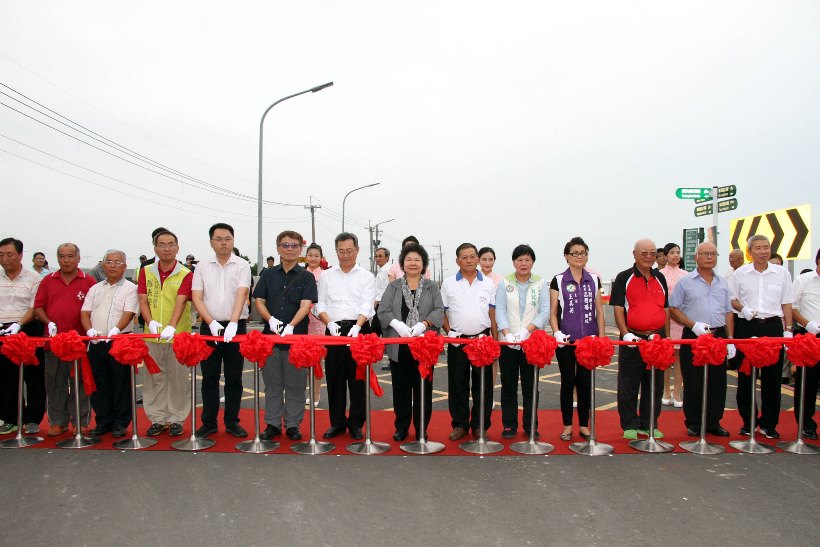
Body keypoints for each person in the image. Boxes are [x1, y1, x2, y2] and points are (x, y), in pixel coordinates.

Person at [728, 234, 794, 439]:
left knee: (772, 379)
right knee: (747, 377)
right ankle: (748, 422)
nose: (763, 251)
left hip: (773, 326)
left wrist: (788, 329)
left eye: (766, 247)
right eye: (758, 248)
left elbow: (787, 302)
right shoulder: (740, 274)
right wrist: (743, 309)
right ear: (750, 251)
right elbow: (731, 300)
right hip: (748, 325)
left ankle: (769, 424)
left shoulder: (782, 273)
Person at [253, 231, 317, 441]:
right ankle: (272, 423)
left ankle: (292, 425)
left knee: (296, 385)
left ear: (300, 250)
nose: (290, 249)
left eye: (294, 245)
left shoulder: (306, 276)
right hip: (270, 338)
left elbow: (306, 304)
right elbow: (259, 301)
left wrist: (290, 325)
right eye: (285, 245)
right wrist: (270, 319)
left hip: (296, 339)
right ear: (278, 248)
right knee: (272, 384)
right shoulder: (268, 274)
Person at [191, 223, 251, 439]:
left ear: (233, 240)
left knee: (235, 377)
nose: (224, 242)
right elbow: (197, 297)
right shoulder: (202, 266)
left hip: (236, 326)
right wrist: (212, 322)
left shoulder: (242, 265)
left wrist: (233, 323)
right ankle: (209, 422)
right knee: (209, 377)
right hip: (210, 327)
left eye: (227, 238)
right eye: (219, 239)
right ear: (211, 242)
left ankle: (232, 421)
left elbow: (242, 294)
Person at [378, 243, 443, 441]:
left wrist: (424, 324)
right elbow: (383, 310)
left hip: (424, 347)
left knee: (423, 389)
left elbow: (439, 310)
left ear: (423, 264)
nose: (412, 263)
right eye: (408, 260)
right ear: (402, 264)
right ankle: (402, 427)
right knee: (400, 389)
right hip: (399, 346)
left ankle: (421, 427)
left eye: (417, 260)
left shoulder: (432, 287)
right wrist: (397, 324)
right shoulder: (394, 286)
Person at [669, 242, 735, 437]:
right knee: (694, 380)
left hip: (718, 335)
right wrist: (692, 325)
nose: (709, 257)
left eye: (713, 254)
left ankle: (714, 422)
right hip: (694, 334)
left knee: (717, 381)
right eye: (705, 253)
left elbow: (728, 311)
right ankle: (694, 422)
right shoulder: (685, 281)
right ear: (696, 257)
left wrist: (730, 338)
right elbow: (673, 309)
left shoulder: (723, 282)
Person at [315, 232, 376, 440]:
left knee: (357, 379)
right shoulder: (326, 276)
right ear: (336, 252)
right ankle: (337, 423)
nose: (346, 255)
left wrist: (358, 325)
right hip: (333, 329)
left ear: (357, 251)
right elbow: (320, 304)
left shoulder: (367, 276)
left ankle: (356, 423)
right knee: (334, 378)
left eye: (350, 251)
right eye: (341, 251)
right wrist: (329, 322)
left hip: (358, 328)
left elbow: (367, 304)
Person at [33, 243, 97, 436]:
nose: (66, 260)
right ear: (57, 259)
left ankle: (80, 421)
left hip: (80, 343)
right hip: (53, 342)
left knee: (80, 383)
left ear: (78, 258)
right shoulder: (47, 281)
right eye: (62, 256)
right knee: (54, 381)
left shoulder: (89, 281)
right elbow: (38, 307)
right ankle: (57, 421)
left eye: (70, 256)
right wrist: (48, 322)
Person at [610, 238, 670, 440]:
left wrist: (667, 337)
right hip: (633, 337)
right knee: (628, 383)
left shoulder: (660, 278)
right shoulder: (623, 277)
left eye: (652, 253)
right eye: (644, 253)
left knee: (655, 384)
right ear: (634, 254)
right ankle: (629, 423)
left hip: (657, 339)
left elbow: (666, 309)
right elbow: (618, 308)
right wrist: (625, 332)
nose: (648, 257)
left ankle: (649, 423)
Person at [137, 229, 193, 437]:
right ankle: (157, 418)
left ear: (178, 248)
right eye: (162, 244)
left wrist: (171, 325)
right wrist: (150, 322)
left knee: (178, 378)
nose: (167, 248)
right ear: (155, 248)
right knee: (154, 378)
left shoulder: (186, 273)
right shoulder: (146, 271)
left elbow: (181, 300)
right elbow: (143, 299)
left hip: (177, 335)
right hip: (152, 335)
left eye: (171, 244)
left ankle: (177, 418)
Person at [549, 237, 604, 441]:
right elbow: (553, 312)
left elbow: (599, 311)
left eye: (583, 253)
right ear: (566, 256)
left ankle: (583, 424)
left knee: (585, 383)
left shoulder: (594, 279)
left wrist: (602, 338)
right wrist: (556, 333)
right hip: (566, 342)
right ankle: (566, 426)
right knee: (567, 382)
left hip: (589, 342)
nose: (579, 256)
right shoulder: (559, 279)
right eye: (575, 253)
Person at [440, 243, 497, 441]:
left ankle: (481, 425)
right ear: (457, 260)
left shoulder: (488, 284)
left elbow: (492, 313)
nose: (469, 260)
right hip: (458, 342)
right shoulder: (448, 284)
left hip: (482, 341)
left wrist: (494, 340)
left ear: (478, 259)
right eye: (464, 257)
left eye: (473, 256)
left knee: (483, 386)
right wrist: (449, 332)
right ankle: (460, 425)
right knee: (458, 385)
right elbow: (442, 312)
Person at [80, 250, 138, 438]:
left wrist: (116, 330)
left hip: (120, 342)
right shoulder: (95, 288)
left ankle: (120, 423)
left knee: (121, 383)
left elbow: (128, 313)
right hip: (96, 341)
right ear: (103, 265)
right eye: (109, 261)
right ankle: (103, 421)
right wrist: (89, 330)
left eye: (117, 262)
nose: (113, 265)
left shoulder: (130, 288)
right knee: (100, 383)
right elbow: (84, 312)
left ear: (124, 266)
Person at [495, 244, 549, 439]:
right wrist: (507, 333)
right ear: (513, 262)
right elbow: (500, 310)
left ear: (532, 262)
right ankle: (509, 425)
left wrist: (527, 331)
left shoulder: (541, 283)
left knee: (530, 385)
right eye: (519, 260)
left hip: (532, 342)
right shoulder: (504, 283)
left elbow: (544, 312)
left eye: (527, 260)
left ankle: (530, 425)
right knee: (508, 384)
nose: (523, 263)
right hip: (508, 342)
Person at [0, 238, 43, 435]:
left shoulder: (33, 278)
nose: (5, 259)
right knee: (6, 376)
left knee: (32, 376)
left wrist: (19, 324)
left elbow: (35, 307)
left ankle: (33, 418)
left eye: (9, 254)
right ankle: (10, 417)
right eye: (1, 255)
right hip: (3, 331)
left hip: (26, 328)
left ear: (20, 255)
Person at [791, 248, 820, 440]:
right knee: (807, 384)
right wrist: (807, 323)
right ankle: (806, 424)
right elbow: (791, 307)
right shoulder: (804, 280)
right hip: (810, 337)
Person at [659, 242, 687, 407]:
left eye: (678, 252)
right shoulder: (659, 274)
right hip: (664, 318)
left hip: (681, 319)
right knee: (665, 357)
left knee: (679, 358)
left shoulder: (686, 274)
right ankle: (666, 391)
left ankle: (677, 391)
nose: (675, 255)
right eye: (672, 253)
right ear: (665, 256)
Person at [478, 246, 503, 402]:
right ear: (478, 260)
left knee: (493, 360)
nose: (487, 263)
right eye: (484, 259)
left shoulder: (500, 280)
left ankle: (489, 395)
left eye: (490, 259)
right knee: (476, 359)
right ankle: (478, 393)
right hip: (478, 324)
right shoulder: (474, 276)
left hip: (495, 324)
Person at [304, 243, 326, 405]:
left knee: (317, 361)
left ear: (321, 258)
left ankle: (316, 395)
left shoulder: (325, 275)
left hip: (319, 322)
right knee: (302, 360)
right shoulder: (300, 274)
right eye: (310, 255)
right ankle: (304, 393)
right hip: (302, 321)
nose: (313, 258)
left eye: (316, 255)